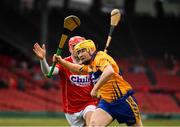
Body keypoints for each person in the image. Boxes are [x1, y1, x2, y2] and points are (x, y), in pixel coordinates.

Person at [53, 39, 143, 126]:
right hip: (107, 103)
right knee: (94, 125)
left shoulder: (100, 57)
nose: (80, 55)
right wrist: (61, 61)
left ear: (91, 50)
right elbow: (78, 69)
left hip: (123, 101)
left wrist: (95, 89)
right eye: (78, 52)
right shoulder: (92, 64)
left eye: (83, 51)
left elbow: (109, 71)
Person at [33, 36, 98, 126]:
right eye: (74, 46)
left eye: (80, 46)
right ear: (70, 49)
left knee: (92, 124)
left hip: (89, 103)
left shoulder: (91, 62)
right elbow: (48, 72)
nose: (77, 49)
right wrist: (42, 59)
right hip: (71, 109)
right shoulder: (64, 62)